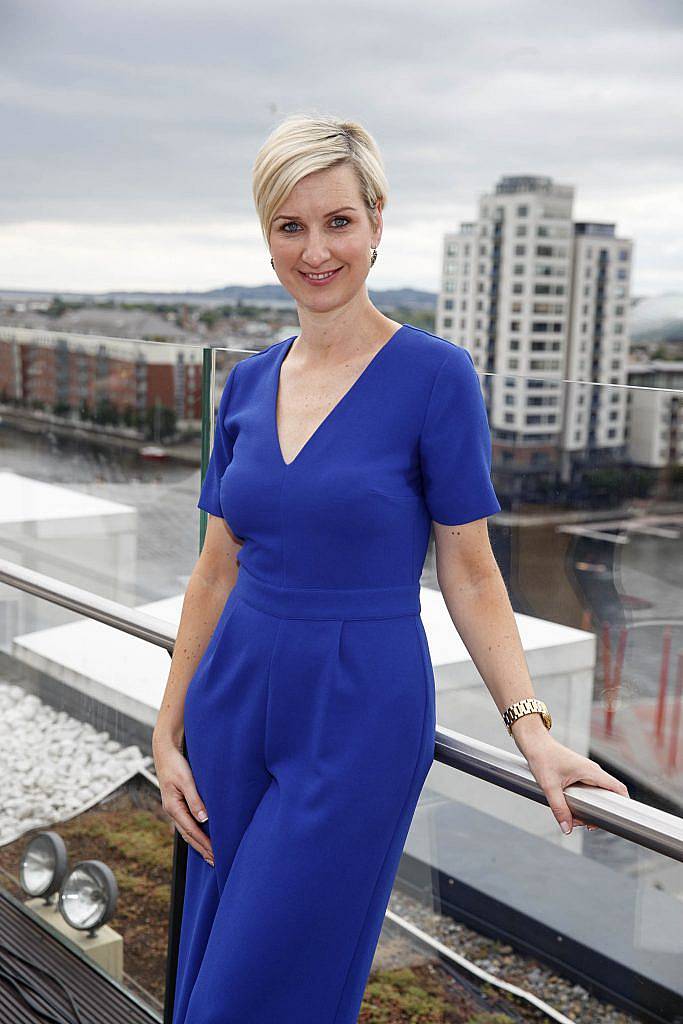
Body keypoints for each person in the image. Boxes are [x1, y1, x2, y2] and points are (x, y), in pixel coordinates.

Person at [153, 112, 630, 1024]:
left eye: (337, 221)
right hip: (229, 699)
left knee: (260, 989)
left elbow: (471, 569)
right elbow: (216, 568)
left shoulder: (435, 376)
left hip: (357, 715)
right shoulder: (247, 382)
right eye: (289, 226)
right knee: (208, 958)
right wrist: (167, 726)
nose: (316, 249)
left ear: (376, 221)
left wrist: (530, 727)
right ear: (267, 240)